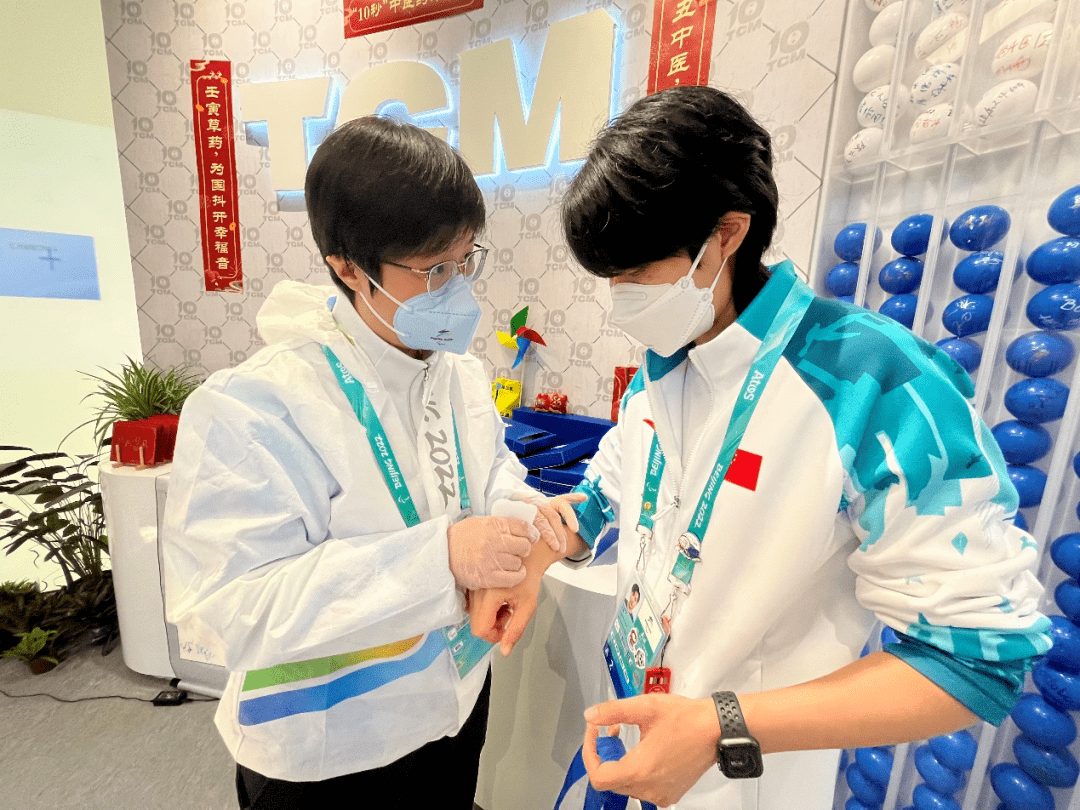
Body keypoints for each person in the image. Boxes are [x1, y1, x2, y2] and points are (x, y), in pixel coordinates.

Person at [470, 86, 1051, 810]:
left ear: (726, 235)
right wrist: (542, 552)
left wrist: (721, 727)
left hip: (741, 779)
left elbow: (977, 660)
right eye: (611, 278)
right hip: (623, 742)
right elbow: (608, 489)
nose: (621, 298)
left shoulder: (871, 381)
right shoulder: (664, 364)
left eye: (637, 272)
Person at [160, 116, 580, 809]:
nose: (458, 288)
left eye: (467, 260)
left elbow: (489, 476)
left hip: (454, 707)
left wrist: (520, 521)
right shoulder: (255, 407)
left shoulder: (459, 373)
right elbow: (231, 609)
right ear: (348, 266)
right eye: (434, 270)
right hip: (329, 748)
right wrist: (443, 559)